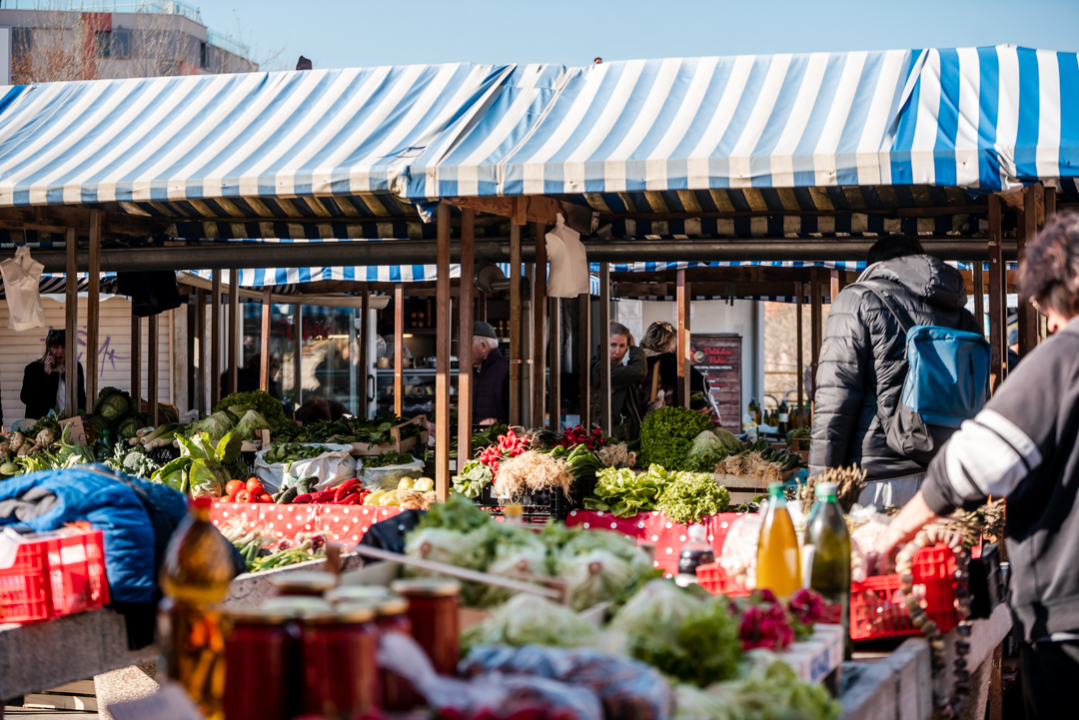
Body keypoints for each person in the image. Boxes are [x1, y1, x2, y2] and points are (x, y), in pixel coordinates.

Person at [874, 212, 1079, 719]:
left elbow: (971, 463)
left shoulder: (1064, 359)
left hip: (1068, 630)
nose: (1051, 324)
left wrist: (892, 535)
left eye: (1050, 308)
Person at [809, 236, 979, 509]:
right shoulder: (961, 315)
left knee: (871, 553)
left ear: (875, 266)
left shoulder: (857, 299)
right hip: (945, 479)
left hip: (876, 482)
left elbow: (834, 404)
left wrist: (818, 492)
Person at [635, 321, 709, 415]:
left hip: (638, 421)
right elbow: (701, 384)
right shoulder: (667, 362)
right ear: (667, 342)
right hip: (663, 420)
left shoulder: (636, 360)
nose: (674, 348)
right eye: (674, 342)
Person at [591, 322, 647, 441]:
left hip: (620, 437)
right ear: (604, 344)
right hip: (608, 439)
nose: (617, 351)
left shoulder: (619, 368)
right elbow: (639, 371)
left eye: (622, 346)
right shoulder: (602, 368)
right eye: (613, 345)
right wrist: (634, 348)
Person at [21, 329, 86, 420]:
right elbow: (25, 397)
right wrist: (45, 374)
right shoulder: (34, 369)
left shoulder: (75, 368)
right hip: (43, 427)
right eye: (55, 347)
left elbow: (81, 399)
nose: (60, 351)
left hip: (69, 425)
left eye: (64, 346)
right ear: (48, 349)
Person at [471, 321, 509, 426]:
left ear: (483, 346)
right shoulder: (471, 371)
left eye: (466, 346)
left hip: (500, 439)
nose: (462, 351)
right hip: (475, 438)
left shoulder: (506, 369)